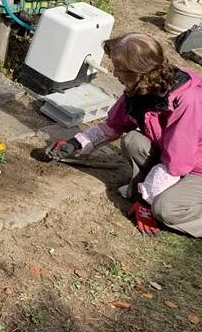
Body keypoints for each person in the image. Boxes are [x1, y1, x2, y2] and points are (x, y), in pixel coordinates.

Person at [46, 32, 202, 237]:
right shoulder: (142, 87)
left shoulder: (188, 100)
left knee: (165, 209)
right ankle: (150, 190)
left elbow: (177, 163)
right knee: (133, 141)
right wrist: (75, 144)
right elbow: (113, 126)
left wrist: (145, 204)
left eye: (118, 68)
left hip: (195, 168)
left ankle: (171, 203)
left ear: (134, 71)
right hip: (174, 159)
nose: (114, 73)